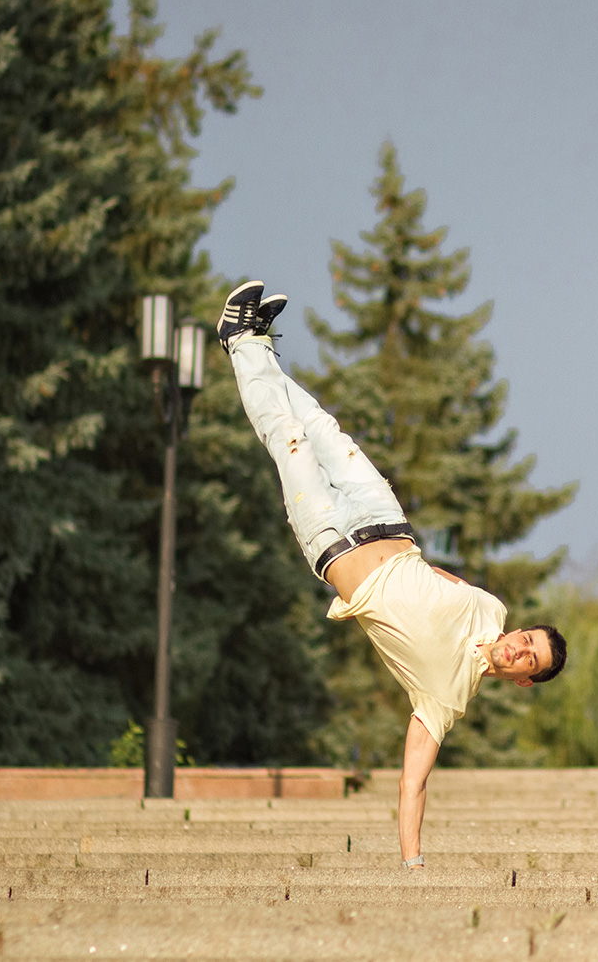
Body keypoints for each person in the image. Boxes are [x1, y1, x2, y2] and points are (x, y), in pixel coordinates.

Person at [217, 280, 567, 871]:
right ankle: (260, 347)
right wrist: (412, 559)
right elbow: (443, 579)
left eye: (527, 661)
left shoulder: (444, 699)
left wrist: (413, 864)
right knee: (323, 426)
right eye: (528, 641)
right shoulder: (494, 609)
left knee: (291, 441)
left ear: (522, 681)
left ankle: (237, 339)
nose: (517, 650)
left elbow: (413, 785)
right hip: (383, 518)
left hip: (330, 541)